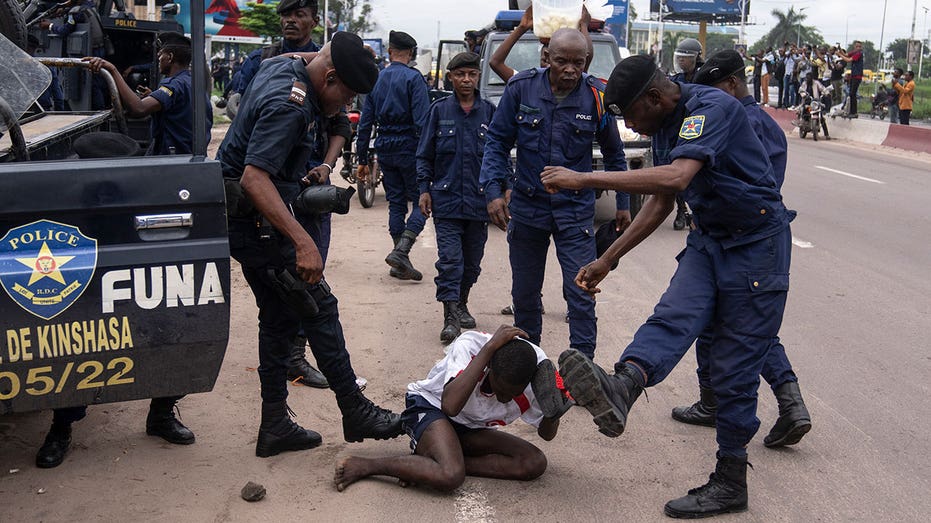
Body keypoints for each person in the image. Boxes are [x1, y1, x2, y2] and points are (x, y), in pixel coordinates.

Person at [540, 55, 796, 518]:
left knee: (734, 366)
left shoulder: (711, 108)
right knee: (672, 317)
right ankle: (623, 387)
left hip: (757, 246)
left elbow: (677, 177)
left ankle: (730, 478)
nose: (634, 128)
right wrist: (607, 258)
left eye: (632, 116)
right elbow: (663, 199)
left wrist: (584, 178)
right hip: (710, 241)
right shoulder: (664, 123)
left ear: (654, 98)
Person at [215, 32, 403, 458]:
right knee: (318, 308)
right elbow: (254, 178)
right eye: (346, 95)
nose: (344, 106)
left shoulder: (286, 66)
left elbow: (310, 54)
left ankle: (275, 426)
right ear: (330, 76)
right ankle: (355, 411)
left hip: (252, 220)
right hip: (259, 225)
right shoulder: (290, 106)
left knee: (279, 320)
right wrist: (304, 242)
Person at [669, 50, 811, 448]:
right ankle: (780, 403)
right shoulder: (765, 122)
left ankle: (734, 406)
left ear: (731, 84)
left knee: (738, 327)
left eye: (711, 90)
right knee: (744, 326)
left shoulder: (733, 120)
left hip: (736, 239)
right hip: (751, 235)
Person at [35, 132, 196, 469]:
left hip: (130, 286)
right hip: (86, 292)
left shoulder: (137, 192)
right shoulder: (63, 197)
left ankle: (162, 415)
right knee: (74, 350)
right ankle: (61, 427)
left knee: (174, 336)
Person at [480, 28, 628, 360]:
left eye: (579, 62)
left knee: (581, 290)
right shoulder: (521, 89)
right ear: (547, 58)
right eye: (563, 61)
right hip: (528, 209)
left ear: (586, 61)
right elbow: (497, 143)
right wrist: (493, 191)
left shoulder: (597, 97)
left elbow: (616, 156)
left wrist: (623, 203)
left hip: (575, 212)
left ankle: (582, 366)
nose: (571, 70)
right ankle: (529, 363)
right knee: (525, 294)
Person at [229, 0, 349, 389]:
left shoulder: (309, 64)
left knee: (290, 300)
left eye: (299, 15)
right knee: (307, 293)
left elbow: (338, 127)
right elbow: (254, 175)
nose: (290, 22)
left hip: (304, 186)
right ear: (329, 77)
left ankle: (280, 406)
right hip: (265, 194)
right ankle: (347, 402)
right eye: (286, 15)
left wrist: (326, 167)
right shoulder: (277, 74)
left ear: (314, 21)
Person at [333, 325, 567, 492]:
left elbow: (547, 435)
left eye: (512, 393)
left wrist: (555, 409)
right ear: (491, 369)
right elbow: (450, 405)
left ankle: (427, 464)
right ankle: (367, 465)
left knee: (533, 462)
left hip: (470, 427)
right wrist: (488, 350)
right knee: (450, 475)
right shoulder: (472, 346)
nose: (504, 399)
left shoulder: (536, 375)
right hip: (432, 407)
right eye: (500, 389)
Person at [416, 52, 495, 343]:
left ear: (478, 77)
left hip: (479, 201)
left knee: (472, 262)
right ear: (451, 77)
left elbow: (499, 157)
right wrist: (424, 188)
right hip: (446, 201)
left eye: (471, 74)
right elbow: (424, 154)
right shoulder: (438, 111)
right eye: (460, 74)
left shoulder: (489, 112)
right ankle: (450, 317)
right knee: (450, 259)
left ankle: (461, 302)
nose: (466, 79)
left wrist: (503, 191)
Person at [356, 30, 431, 281]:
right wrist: (429, 155)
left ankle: (400, 262)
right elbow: (422, 123)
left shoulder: (376, 80)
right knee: (425, 200)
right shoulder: (414, 79)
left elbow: (365, 123)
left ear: (389, 52)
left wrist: (362, 160)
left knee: (396, 202)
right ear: (411, 54)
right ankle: (402, 250)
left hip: (385, 148)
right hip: (410, 148)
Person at [84, 32, 212, 155]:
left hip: (172, 158)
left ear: (170, 57)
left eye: (161, 54)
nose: (158, 58)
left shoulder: (174, 84)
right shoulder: (191, 82)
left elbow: (139, 109)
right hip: (187, 154)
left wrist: (112, 70)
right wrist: (153, 96)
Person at [38, 0, 109, 109]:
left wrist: (50, 26)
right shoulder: (90, 6)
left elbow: (64, 30)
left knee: (92, 84)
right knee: (98, 81)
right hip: (99, 49)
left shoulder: (75, 12)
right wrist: (65, 10)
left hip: (90, 51)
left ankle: (99, 110)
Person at [669, 37, 703, 231]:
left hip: (700, 130)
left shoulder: (705, 79)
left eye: (686, 58)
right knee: (677, 172)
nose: (682, 61)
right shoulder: (676, 80)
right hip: (680, 130)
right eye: (679, 58)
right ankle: (681, 210)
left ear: (696, 59)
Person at [837, 41, 864, 118]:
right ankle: (851, 111)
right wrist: (840, 50)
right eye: (857, 46)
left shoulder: (859, 54)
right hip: (853, 75)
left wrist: (840, 55)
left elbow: (848, 60)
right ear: (854, 47)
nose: (858, 48)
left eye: (859, 46)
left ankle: (854, 112)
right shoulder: (854, 53)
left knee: (852, 93)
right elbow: (846, 55)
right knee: (851, 94)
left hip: (857, 76)